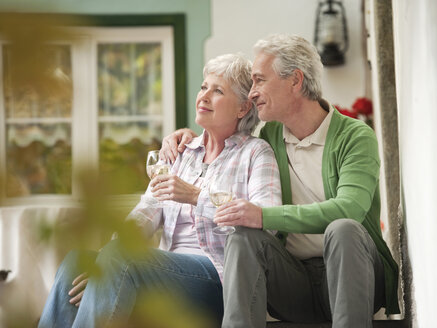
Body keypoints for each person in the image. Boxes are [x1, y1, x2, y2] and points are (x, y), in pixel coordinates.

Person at [160, 34, 400, 328]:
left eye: (260, 80)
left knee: (344, 229)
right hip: (293, 281)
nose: (252, 93)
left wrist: (263, 215)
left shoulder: (354, 136)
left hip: (352, 274)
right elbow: (225, 132)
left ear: (295, 81)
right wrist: (185, 135)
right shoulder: (268, 138)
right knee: (243, 235)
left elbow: (349, 208)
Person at [37, 53, 282, 328]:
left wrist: (196, 196)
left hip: (218, 280)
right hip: (163, 273)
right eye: (204, 87)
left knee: (121, 258)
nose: (204, 96)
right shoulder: (181, 153)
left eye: (218, 91)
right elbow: (147, 210)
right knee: (77, 262)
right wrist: (107, 258)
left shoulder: (256, 153)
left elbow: (267, 221)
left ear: (242, 108)